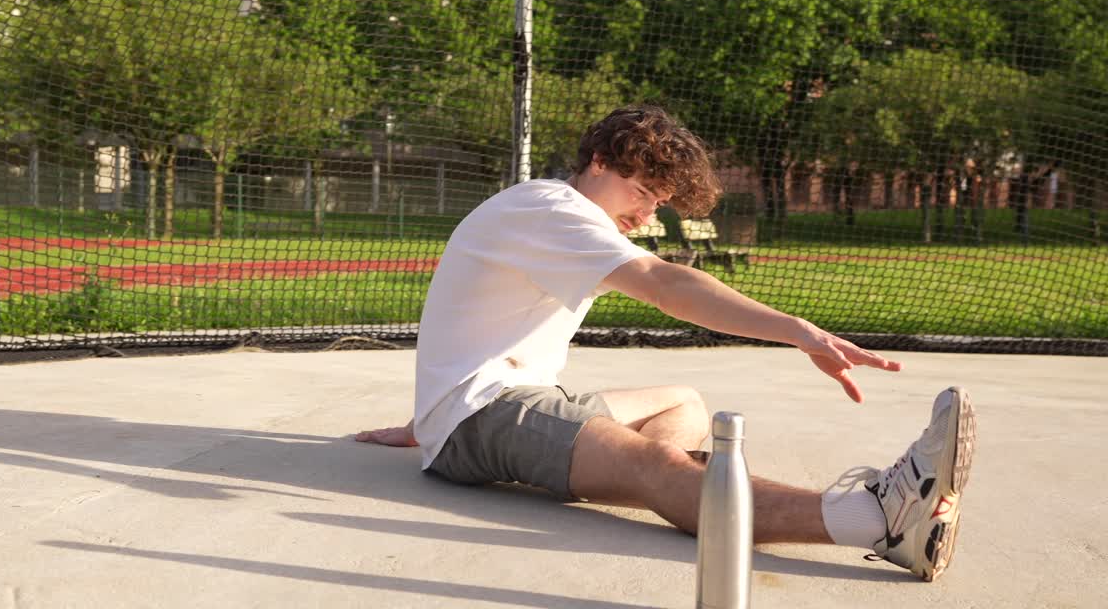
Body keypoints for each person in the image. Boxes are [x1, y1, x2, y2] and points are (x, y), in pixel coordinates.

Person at [356, 106, 975, 582]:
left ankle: (668, 486)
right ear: (598, 160)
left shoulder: (548, 216)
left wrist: (423, 417)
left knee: (683, 403)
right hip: (483, 413)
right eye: (642, 191)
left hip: (492, 404)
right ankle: (875, 518)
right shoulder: (549, 208)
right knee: (657, 463)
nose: (648, 213)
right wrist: (798, 330)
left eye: (658, 201)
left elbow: (474, 322)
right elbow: (660, 280)